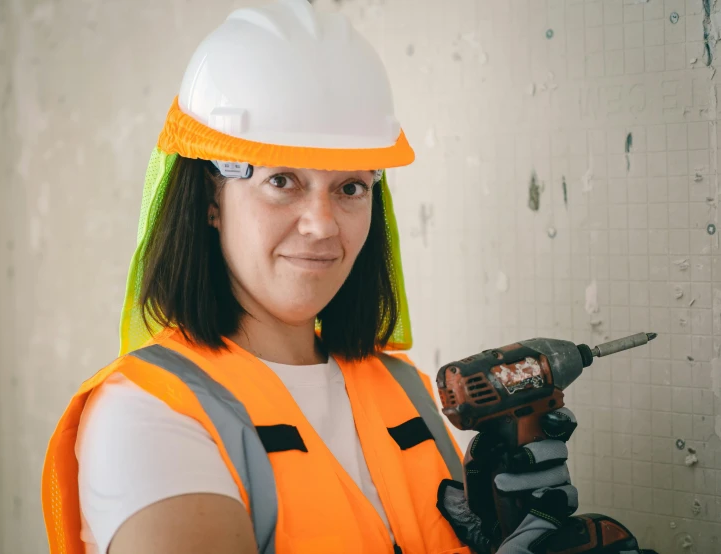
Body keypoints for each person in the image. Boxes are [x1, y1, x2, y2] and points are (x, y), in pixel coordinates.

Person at [41, 1, 653, 553]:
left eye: (351, 187)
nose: (322, 225)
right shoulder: (148, 414)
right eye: (282, 180)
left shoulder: (403, 389)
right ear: (210, 197)